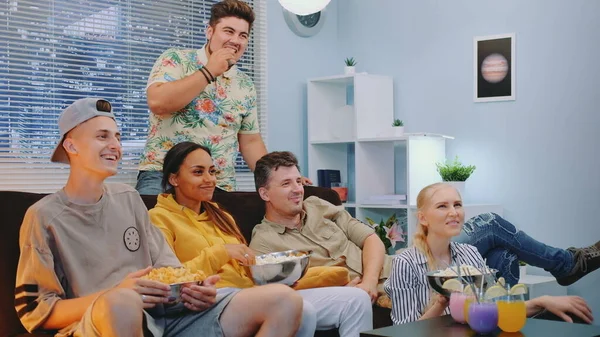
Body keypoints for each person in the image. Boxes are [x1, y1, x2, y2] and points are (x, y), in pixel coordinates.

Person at [15, 98, 303, 337]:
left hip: (165, 317)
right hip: (97, 322)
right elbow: (36, 311)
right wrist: (119, 293)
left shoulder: (129, 198)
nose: (115, 145)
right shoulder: (44, 216)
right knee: (122, 302)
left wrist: (193, 289)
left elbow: (171, 269)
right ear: (72, 146)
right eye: (102, 136)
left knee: (283, 300)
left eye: (117, 136)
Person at [248, 151, 600, 299]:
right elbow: (289, 288)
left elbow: (371, 238)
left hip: (399, 266)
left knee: (501, 256)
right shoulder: (263, 242)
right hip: (402, 283)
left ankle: (563, 266)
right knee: (492, 229)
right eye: (286, 184)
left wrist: (369, 280)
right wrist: (354, 286)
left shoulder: (319, 203)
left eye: (298, 181)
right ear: (264, 192)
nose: (297, 189)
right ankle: (565, 265)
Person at [148, 141, 373, 337]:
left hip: (247, 293)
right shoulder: (159, 218)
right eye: (198, 172)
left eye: (212, 171)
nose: (209, 179)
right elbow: (170, 280)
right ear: (174, 178)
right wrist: (221, 252)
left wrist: (297, 275)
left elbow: (250, 271)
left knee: (321, 307)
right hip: (211, 300)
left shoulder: (221, 216)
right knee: (293, 305)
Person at [137, 0, 310, 193]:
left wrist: (280, 177)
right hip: (163, 175)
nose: (236, 40)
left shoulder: (245, 85)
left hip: (218, 184)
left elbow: (251, 142)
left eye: (243, 35)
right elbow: (158, 102)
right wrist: (209, 70)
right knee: (151, 223)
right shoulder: (176, 59)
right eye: (228, 31)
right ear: (210, 32)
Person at [383, 182, 594, 325]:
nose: (454, 212)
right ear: (423, 218)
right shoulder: (406, 263)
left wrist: (543, 301)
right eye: (442, 206)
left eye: (457, 204)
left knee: (570, 315)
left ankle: (566, 268)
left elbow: (495, 310)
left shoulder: (469, 253)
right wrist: (441, 303)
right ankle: (567, 265)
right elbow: (404, 332)